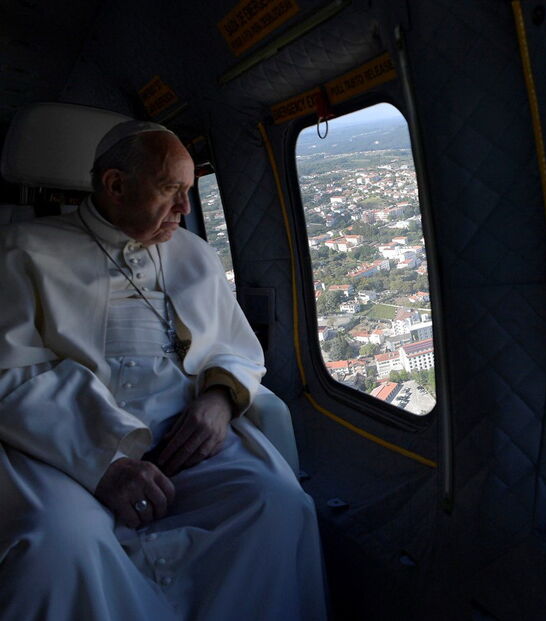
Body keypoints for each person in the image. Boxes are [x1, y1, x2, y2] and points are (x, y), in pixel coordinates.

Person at [0, 121, 326, 620]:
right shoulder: (19, 250)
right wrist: (104, 461)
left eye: (190, 190)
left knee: (277, 504)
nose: (185, 209)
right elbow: (11, 374)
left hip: (184, 437)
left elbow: (235, 347)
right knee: (56, 546)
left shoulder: (194, 254)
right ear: (115, 185)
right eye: (171, 189)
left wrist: (218, 401)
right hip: (61, 449)